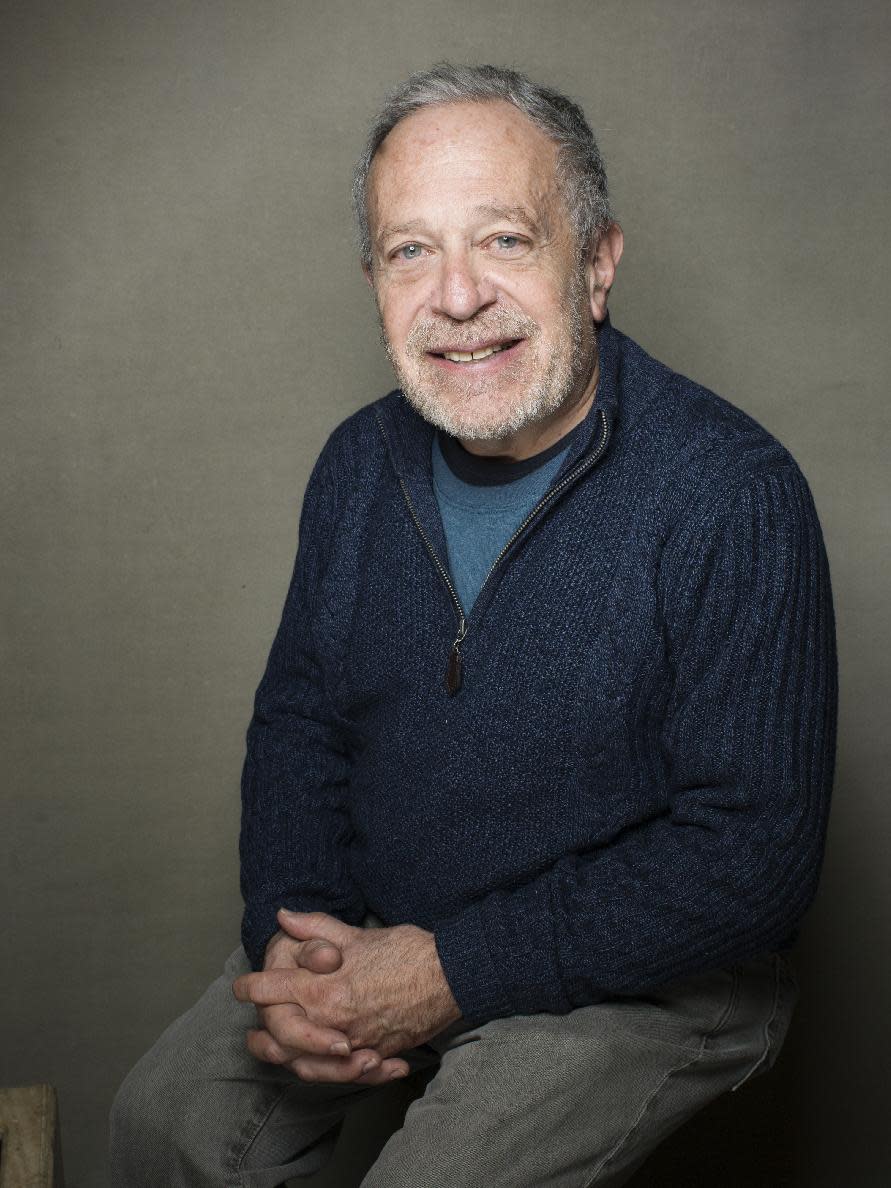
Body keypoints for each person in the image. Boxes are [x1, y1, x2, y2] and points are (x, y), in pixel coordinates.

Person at [110, 62, 837, 1187]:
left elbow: (751, 856)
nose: (456, 298)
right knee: (165, 1125)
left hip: (650, 970)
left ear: (596, 264)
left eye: (503, 241)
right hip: (391, 924)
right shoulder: (356, 466)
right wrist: (293, 945)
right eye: (411, 251)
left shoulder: (732, 494)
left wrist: (451, 971)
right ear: (374, 281)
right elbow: (301, 728)